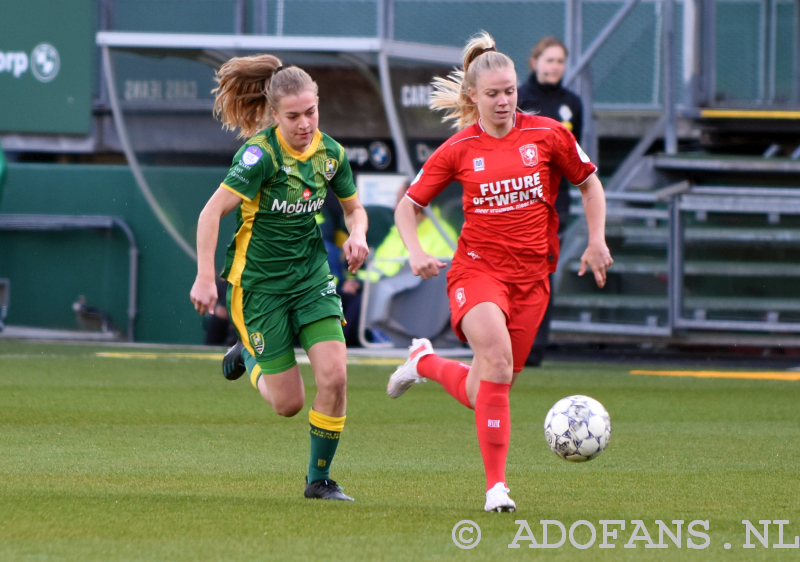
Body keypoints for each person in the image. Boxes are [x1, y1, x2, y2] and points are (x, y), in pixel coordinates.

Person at [387, 32, 612, 513]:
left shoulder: (549, 134)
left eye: (510, 90)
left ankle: (423, 361)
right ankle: (496, 489)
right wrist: (413, 251)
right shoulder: (459, 148)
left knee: (488, 384)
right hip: (477, 272)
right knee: (497, 360)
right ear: (473, 96)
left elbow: (591, 185)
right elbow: (408, 206)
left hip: (533, 279)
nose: (505, 100)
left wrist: (596, 241)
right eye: (493, 93)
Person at [189, 55, 369, 502]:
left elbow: (353, 209)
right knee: (288, 404)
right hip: (259, 289)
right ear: (274, 115)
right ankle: (247, 357)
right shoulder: (259, 156)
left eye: (311, 112)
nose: (305, 123)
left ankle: (319, 480)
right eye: (293, 116)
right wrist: (205, 278)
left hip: (311, 280)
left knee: (335, 377)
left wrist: (358, 235)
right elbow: (211, 211)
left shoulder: (331, 154)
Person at [517, 35, 585, 366]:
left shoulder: (572, 103)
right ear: (534, 62)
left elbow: (574, 156)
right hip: (515, 200)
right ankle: (505, 341)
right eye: (549, 60)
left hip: (553, 206)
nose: (555, 67)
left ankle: (535, 347)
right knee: (510, 272)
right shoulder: (517, 98)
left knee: (542, 274)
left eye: (560, 61)